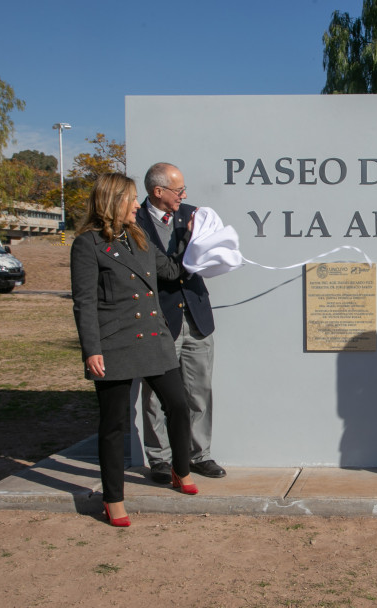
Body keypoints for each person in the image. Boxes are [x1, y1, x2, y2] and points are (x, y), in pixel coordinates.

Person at [70, 173, 200, 527]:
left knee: (177, 404)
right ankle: (113, 498)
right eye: (129, 200)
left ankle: (180, 469)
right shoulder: (87, 244)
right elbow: (84, 303)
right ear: (112, 203)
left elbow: (171, 271)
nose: (135, 206)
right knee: (113, 424)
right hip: (113, 344)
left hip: (154, 339)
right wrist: (91, 349)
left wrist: (191, 235)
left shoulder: (139, 237)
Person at [136, 163, 226, 483]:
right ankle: (159, 458)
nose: (184, 196)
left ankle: (198, 454)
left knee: (199, 391)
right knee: (155, 395)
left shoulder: (192, 213)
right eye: (178, 190)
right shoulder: (135, 222)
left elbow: (215, 250)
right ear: (157, 192)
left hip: (197, 317)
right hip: (159, 320)